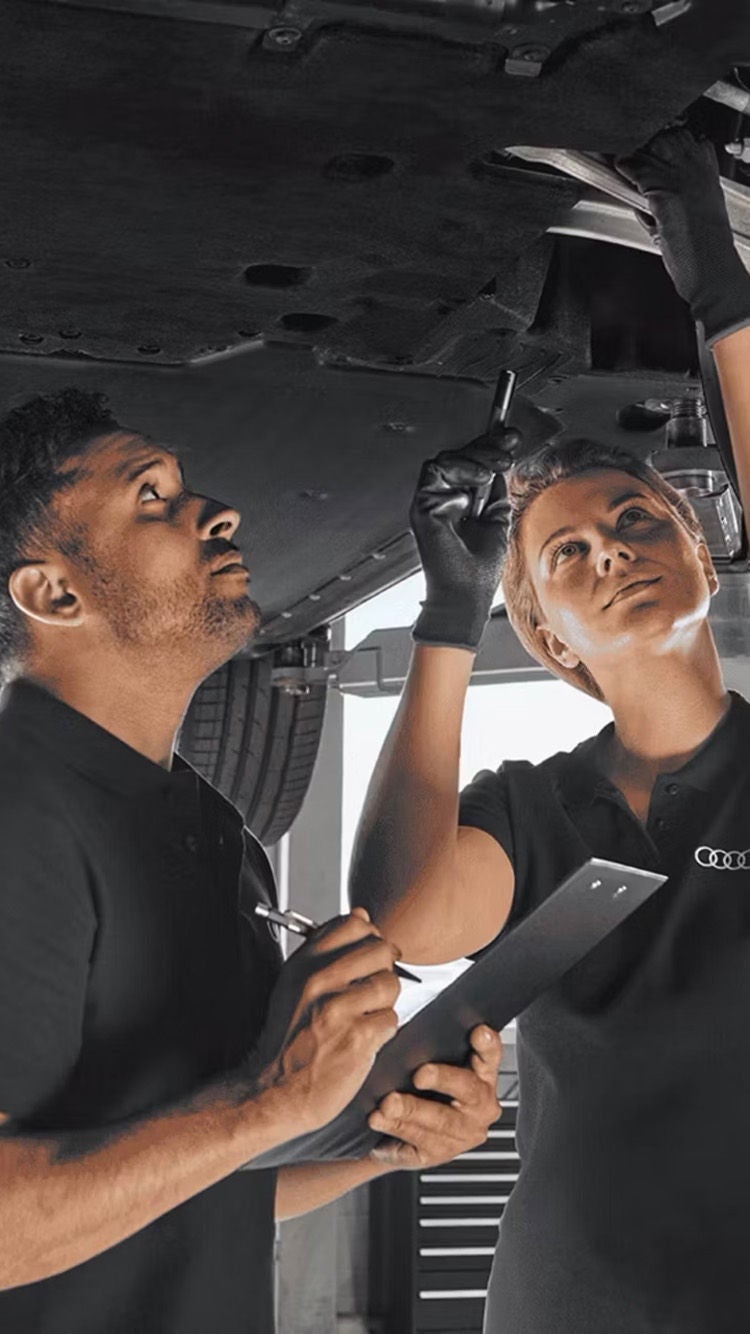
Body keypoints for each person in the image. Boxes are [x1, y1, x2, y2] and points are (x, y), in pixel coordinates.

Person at [349, 125, 750, 1332]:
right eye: (567, 556)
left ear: (703, 556)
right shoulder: (536, 810)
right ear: (553, 637)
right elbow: (406, 913)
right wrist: (450, 614)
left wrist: (723, 291)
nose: (612, 550)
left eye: (635, 520)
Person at [0, 389, 504, 1334]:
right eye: (150, 495)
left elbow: (195, 1199)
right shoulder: (17, 820)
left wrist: (390, 1144)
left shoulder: (213, 827)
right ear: (53, 593)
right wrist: (271, 1099)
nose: (216, 510)